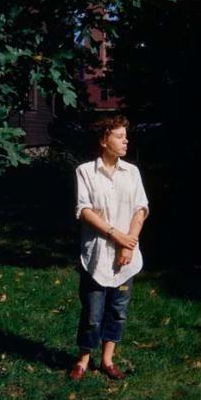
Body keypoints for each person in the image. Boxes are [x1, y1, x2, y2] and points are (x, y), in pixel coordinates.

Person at [70, 114, 149, 380]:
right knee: (92, 313)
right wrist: (117, 236)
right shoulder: (85, 171)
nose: (126, 140)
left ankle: (107, 359)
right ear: (104, 140)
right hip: (97, 257)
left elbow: (140, 209)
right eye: (119, 136)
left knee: (118, 311)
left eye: (126, 136)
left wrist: (129, 245)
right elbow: (85, 211)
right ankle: (83, 359)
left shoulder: (132, 173)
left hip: (126, 257)